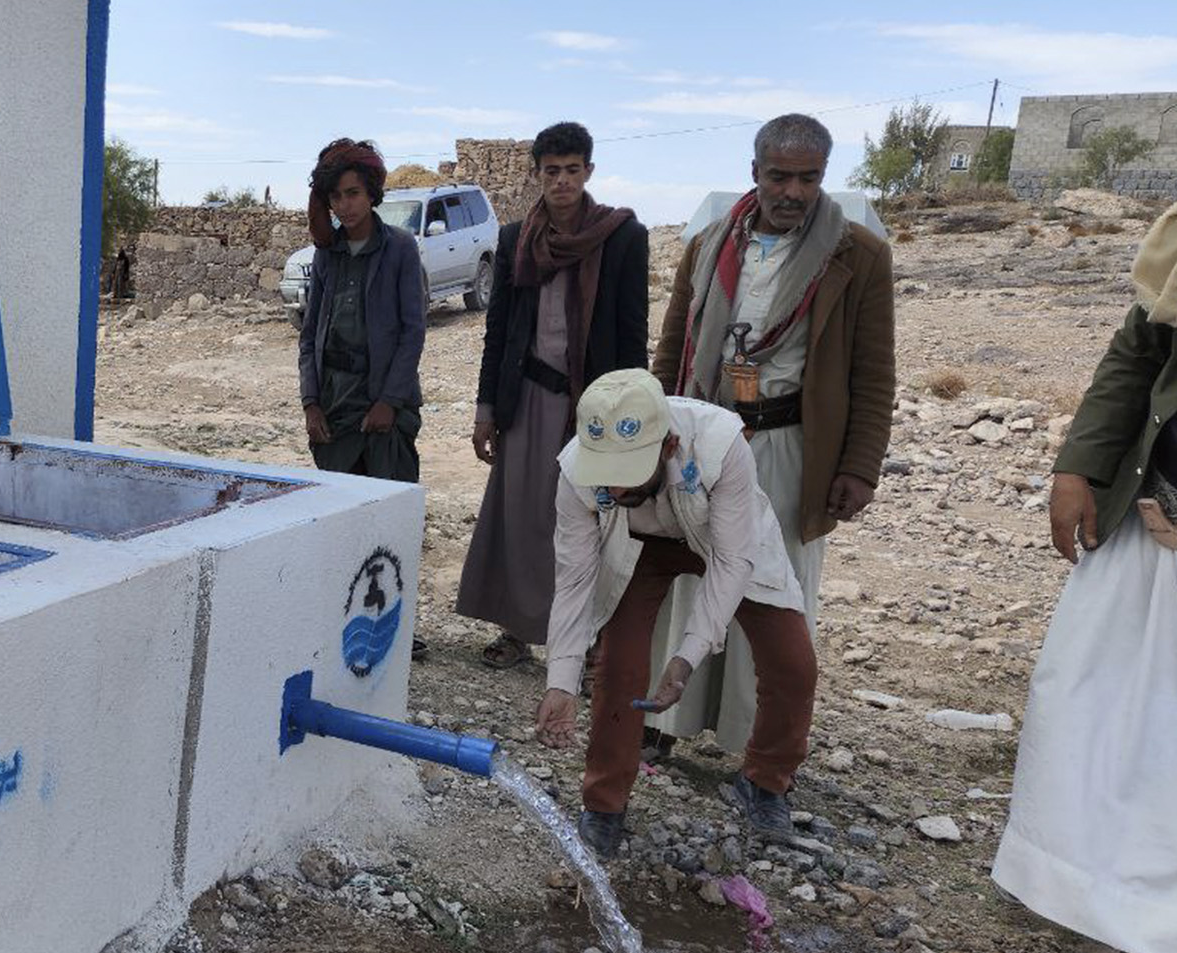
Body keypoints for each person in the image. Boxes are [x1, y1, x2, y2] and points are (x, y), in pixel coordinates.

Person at [643, 113, 894, 761]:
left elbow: (874, 371)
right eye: (779, 176)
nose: (793, 192)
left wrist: (859, 468)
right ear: (753, 174)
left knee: (770, 593)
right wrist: (654, 436)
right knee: (691, 577)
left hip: (788, 450)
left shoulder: (856, 255)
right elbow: (674, 348)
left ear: (824, 180)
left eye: (808, 179)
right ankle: (665, 723)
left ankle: (758, 750)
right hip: (704, 439)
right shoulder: (707, 245)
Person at [992, 203, 1177, 953]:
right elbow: (1134, 358)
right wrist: (1076, 468)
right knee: (1087, 694)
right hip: (1150, 520)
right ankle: (1068, 886)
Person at [535, 369, 816, 857]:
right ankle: (604, 803)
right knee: (619, 664)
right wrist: (560, 682)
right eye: (606, 478)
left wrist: (686, 658)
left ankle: (767, 780)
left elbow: (731, 562)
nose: (614, 493)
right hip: (636, 544)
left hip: (720, 535)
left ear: (667, 447)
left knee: (793, 662)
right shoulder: (575, 474)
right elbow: (574, 580)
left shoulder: (721, 445)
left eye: (626, 478)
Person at [455, 122, 650, 671]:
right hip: (527, 402)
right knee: (520, 518)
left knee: (586, 524)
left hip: (591, 410)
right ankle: (517, 631)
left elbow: (632, 335)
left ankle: (585, 645)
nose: (561, 181)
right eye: (551, 171)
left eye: (571, 170)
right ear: (537, 174)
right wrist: (485, 409)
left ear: (589, 171)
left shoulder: (621, 238)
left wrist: (630, 422)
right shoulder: (518, 240)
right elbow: (499, 332)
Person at [296, 138, 428, 657]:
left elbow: (412, 332)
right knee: (339, 518)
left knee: (388, 516)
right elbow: (309, 335)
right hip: (334, 403)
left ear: (371, 193)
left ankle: (398, 627)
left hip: (383, 409)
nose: (345, 205)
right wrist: (311, 402)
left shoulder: (399, 248)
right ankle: (338, 619)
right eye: (336, 196)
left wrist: (389, 402)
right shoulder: (326, 256)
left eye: (353, 193)